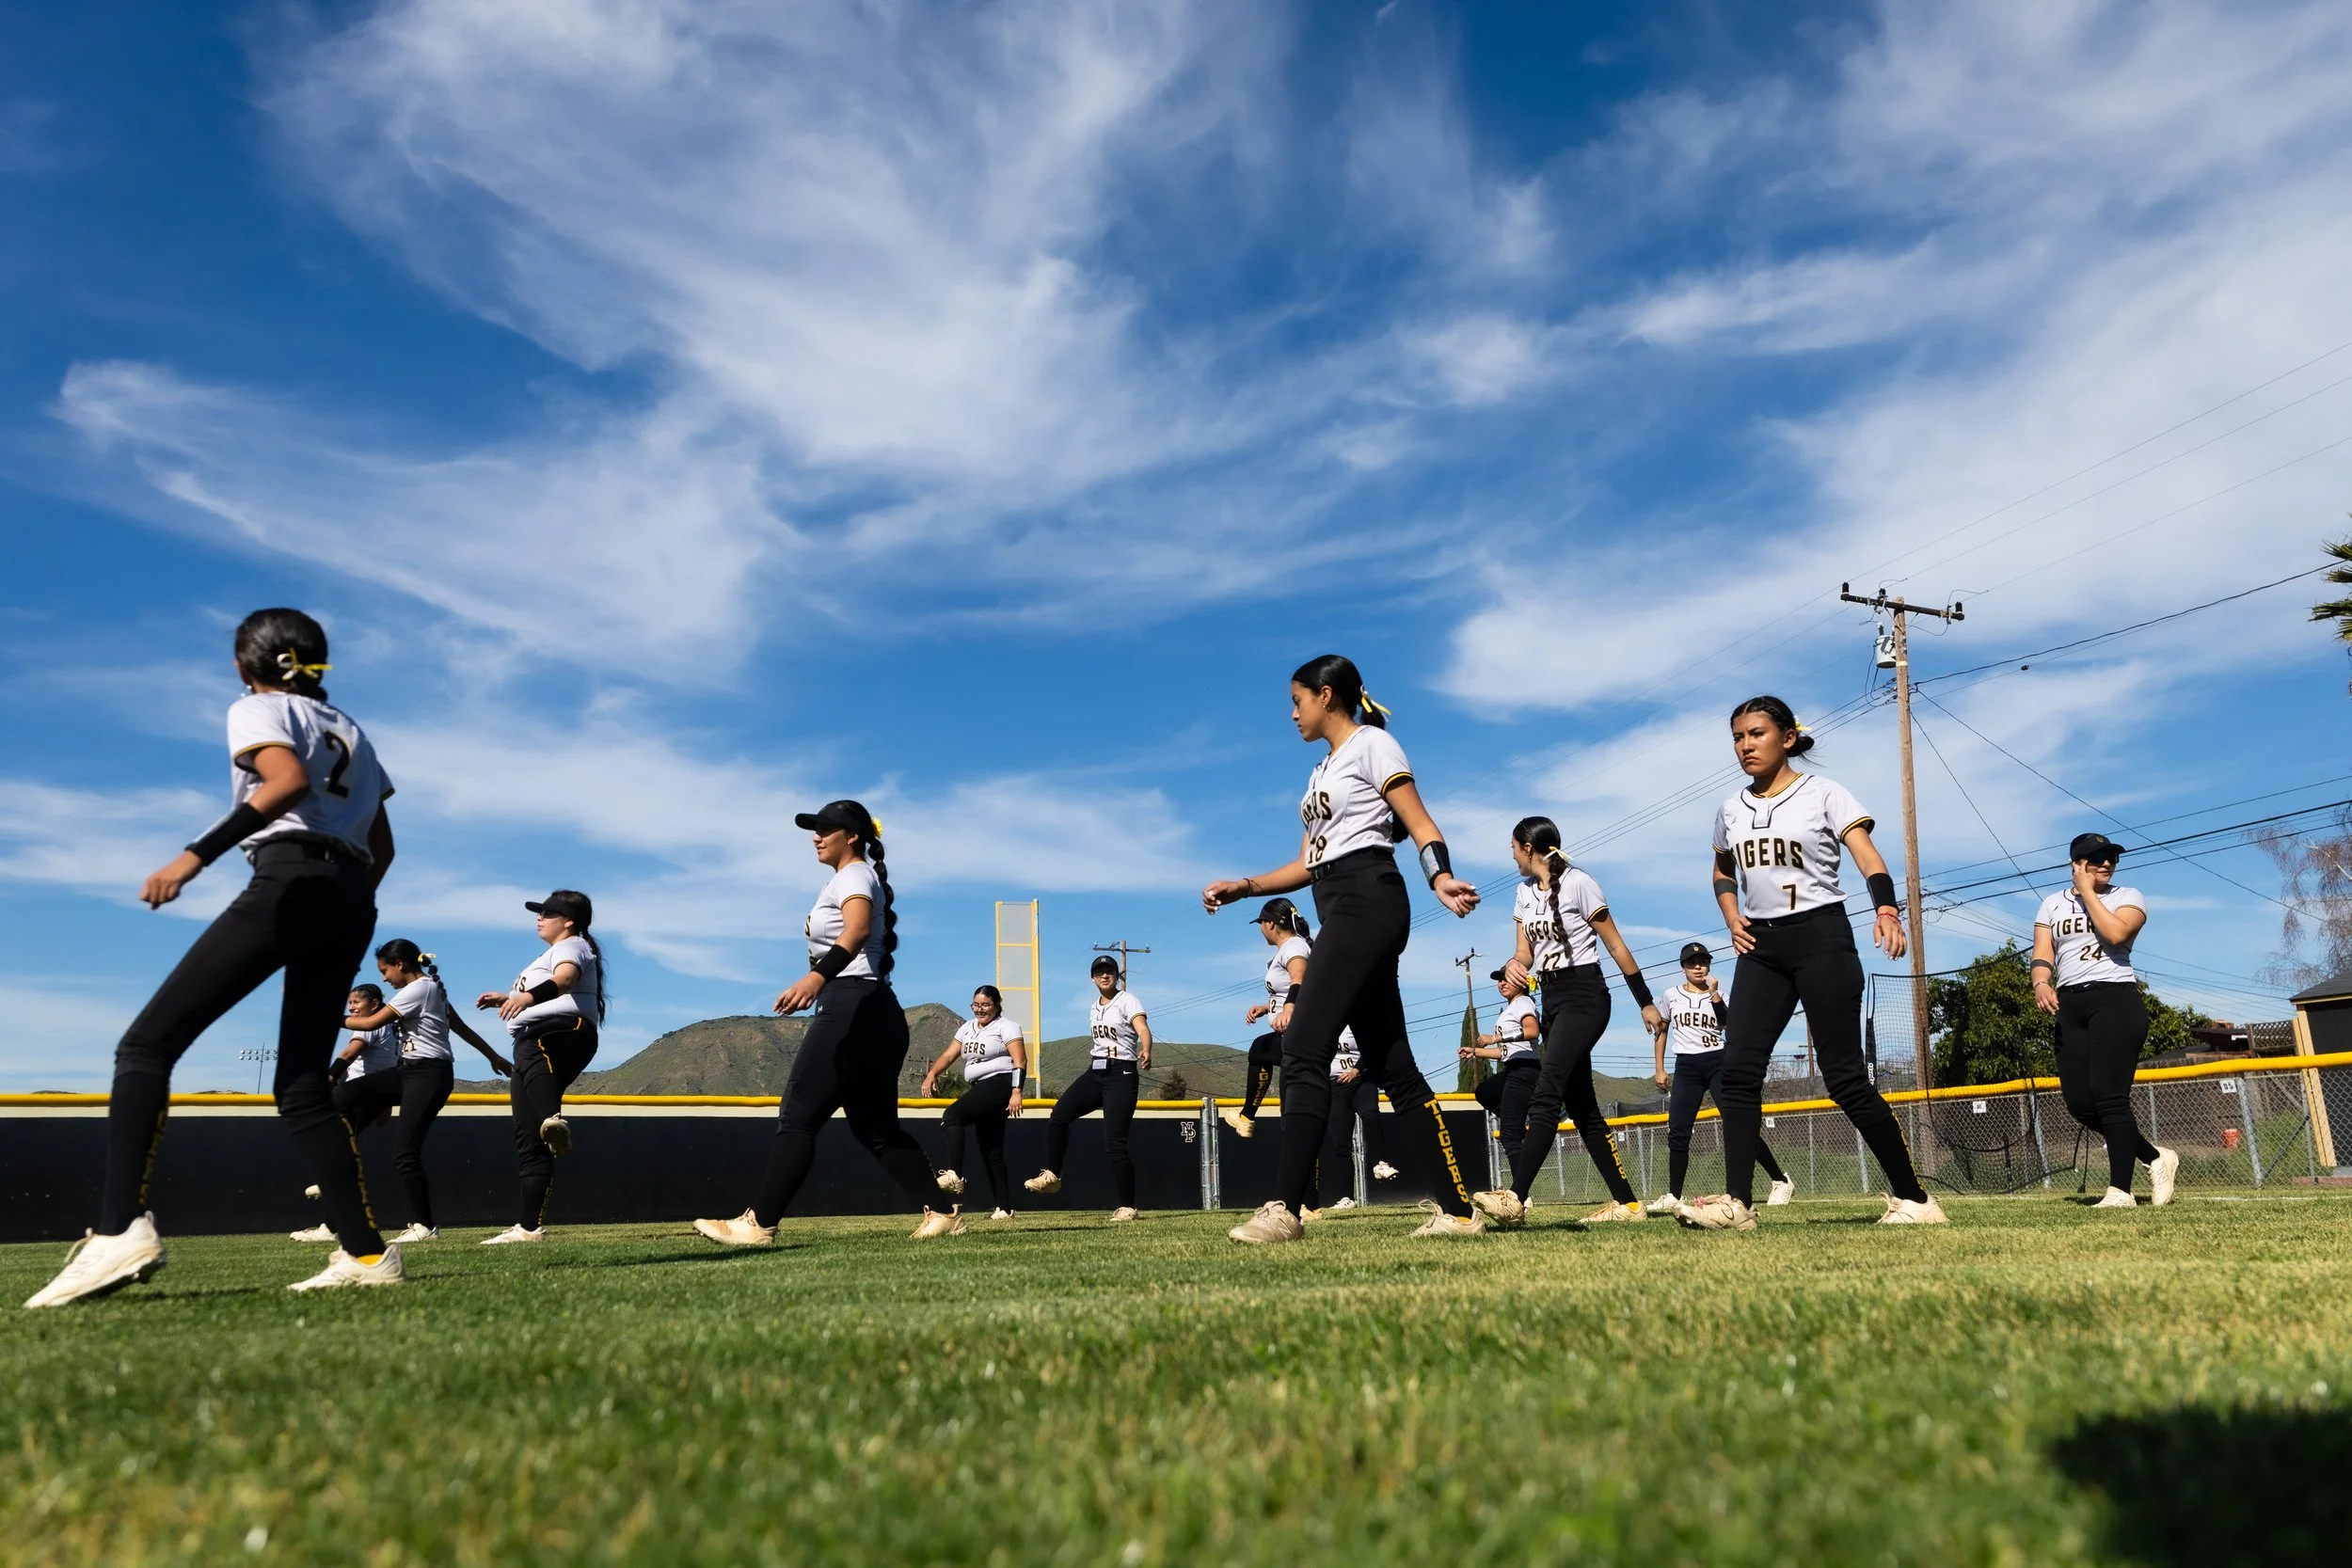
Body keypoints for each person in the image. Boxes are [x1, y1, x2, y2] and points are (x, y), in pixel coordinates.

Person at [27, 609, 402, 1307]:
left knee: (145, 1045)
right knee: (300, 1085)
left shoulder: (255, 707)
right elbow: (384, 846)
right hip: (351, 893)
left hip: (291, 876)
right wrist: (341, 905)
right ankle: (367, 1253)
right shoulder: (352, 729)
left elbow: (284, 781)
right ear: (319, 663)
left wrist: (195, 854)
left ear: (244, 666)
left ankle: (118, 1230)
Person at [1203, 655, 1484, 1243]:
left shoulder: (1373, 746)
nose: (1292, 712)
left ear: (1326, 696)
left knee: (1303, 1044)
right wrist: (1246, 887)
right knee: (1395, 1068)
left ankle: (1285, 1210)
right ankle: (1459, 1212)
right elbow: (1308, 863)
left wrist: (1440, 877)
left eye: (1297, 700)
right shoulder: (1318, 773)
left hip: (1369, 902)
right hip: (1340, 906)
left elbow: (1420, 822)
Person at [1679, 696, 1946, 1230]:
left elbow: (1869, 858)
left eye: (1756, 733)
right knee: (1738, 1073)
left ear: (1788, 738)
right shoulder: (1730, 808)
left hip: (1822, 935)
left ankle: (1915, 1199)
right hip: (1761, 947)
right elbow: (1721, 870)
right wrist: (1732, 916)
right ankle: (1738, 1205)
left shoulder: (1824, 792)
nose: (1745, 745)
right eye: (1737, 737)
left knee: (1844, 1076)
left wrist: (1887, 909)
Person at [694, 800, 951, 1245]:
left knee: (798, 1117)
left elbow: (853, 932)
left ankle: (757, 1225)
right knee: (876, 1129)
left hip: (854, 1005)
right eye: (814, 829)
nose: (815, 836)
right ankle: (944, 1213)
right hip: (873, 1008)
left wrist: (817, 976)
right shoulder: (848, 877)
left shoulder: (853, 875)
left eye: (825, 828)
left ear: (852, 835)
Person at [1471, 818, 1661, 1227]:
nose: (1511, 856)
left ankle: (1514, 1198)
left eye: (1512, 848)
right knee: (1581, 1107)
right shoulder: (1523, 894)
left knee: (1547, 1090)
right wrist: (1512, 964)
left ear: (1527, 847)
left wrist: (1645, 1002)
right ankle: (1629, 1205)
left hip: (1586, 995)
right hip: (1553, 1000)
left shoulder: (1579, 883)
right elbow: (1524, 953)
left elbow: (1615, 944)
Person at [298, 942, 511, 1244]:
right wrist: (494, 1056)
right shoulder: (433, 990)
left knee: (405, 1152)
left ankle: (424, 1227)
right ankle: (333, 1219)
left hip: (429, 1075)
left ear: (399, 964)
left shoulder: (420, 989)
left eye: (384, 970)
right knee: (341, 1097)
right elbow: (461, 1027)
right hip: (408, 1073)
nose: (384, 979)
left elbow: (371, 1022)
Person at [2034, 833, 2178, 1209]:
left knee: (2110, 1097)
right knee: (2080, 1104)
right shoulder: (2051, 904)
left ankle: (2120, 1191)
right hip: (2071, 1005)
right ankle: (2154, 1156)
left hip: (2115, 1000)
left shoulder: (2128, 897)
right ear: (2075, 863)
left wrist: (2088, 893)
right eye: (2095, 858)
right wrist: (2040, 982)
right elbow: (2042, 953)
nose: (2106, 863)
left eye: (2111, 856)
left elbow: (2115, 933)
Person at [476, 891, 608, 1245]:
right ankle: (528, 1228)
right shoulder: (550, 952)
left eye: (548, 913)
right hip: (539, 1038)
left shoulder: (572, 945)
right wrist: (507, 998)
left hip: (562, 1030)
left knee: (534, 1054)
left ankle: (554, 1117)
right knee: (528, 1136)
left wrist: (524, 998)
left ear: (569, 921)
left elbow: (565, 979)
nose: (539, 917)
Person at [1643, 942, 1792, 1213]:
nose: (1698, 967)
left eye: (1703, 962)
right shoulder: (1670, 996)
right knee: (1678, 1130)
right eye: (1692, 962)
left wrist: (1714, 997)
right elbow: (1661, 1031)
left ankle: (1780, 1180)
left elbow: (1729, 1025)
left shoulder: (1721, 995)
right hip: (1687, 1066)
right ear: (1683, 967)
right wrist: (1659, 1068)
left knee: (1739, 1125)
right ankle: (1674, 1195)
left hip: (1718, 1063)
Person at [1023, 957, 1151, 1223]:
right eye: (1099, 972)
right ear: (1092, 978)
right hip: (1096, 1071)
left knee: (1114, 1144)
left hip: (1122, 1073)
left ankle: (1128, 1207)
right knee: (1059, 1114)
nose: (1104, 976)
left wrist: (1147, 1048)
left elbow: (1142, 1028)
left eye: (1109, 971)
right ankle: (1052, 1176)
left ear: (1117, 976)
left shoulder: (1128, 1000)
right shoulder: (1094, 1006)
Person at [922, 985, 1027, 1222]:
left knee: (952, 1116)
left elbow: (1020, 1059)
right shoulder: (968, 1027)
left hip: (999, 1084)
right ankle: (1004, 1208)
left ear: (997, 1005)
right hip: (979, 1087)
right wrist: (932, 1074)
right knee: (992, 1151)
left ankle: (955, 1174)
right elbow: (950, 1055)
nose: (980, 1009)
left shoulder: (1006, 1026)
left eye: (986, 1005)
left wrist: (1016, 1090)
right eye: (976, 1005)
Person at [1219, 898, 1311, 1140]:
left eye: (1261, 923)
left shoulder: (1293, 947)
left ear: (1270, 924)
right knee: (1261, 1051)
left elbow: (1299, 978)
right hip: (1292, 1033)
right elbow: (1286, 990)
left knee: (1260, 1049)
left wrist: (1289, 1008)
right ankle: (1247, 1116)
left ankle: (1247, 1116)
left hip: (1300, 1036)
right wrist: (1266, 1008)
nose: (1260, 929)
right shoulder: (1288, 948)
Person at [1463, 969, 1541, 1171]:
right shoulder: (1510, 1009)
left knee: (1509, 1136)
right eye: (1499, 980)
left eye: (1507, 979)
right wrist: (1476, 1051)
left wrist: (1495, 1038)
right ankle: (1518, 1120)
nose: (1502, 983)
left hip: (1525, 1069)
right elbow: (1507, 1052)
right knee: (1484, 1092)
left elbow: (1532, 1031)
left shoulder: (1523, 1002)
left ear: (1522, 982)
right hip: (1514, 1067)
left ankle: (1520, 1193)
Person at [1306, 1028, 1389, 1215]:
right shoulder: (1322, 1024)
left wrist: (1356, 1070)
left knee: (1371, 1114)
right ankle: (1346, 1198)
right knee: (1340, 1144)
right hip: (1335, 1085)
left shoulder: (1354, 1022)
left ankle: (1380, 1163)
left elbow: (1372, 1048)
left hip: (1361, 1080)